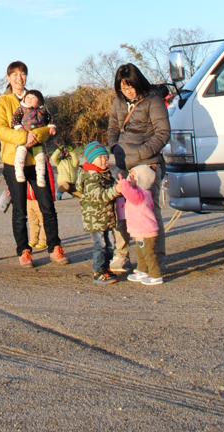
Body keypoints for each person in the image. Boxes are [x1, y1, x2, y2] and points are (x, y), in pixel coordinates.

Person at [0, 60, 68, 268]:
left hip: (37, 160)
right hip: (12, 162)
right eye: (14, 74)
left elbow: (49, 125)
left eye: (22, 73)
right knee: (20, 209)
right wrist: (23, 138)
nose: (19, 78)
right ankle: (24, 250)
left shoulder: (36, 98)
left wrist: (36, 135)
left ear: (26, 76)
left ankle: (54, 247)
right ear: (8, 78)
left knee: (47, 205)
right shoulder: (3, 102)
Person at [107, 63, 171, 273]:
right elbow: (113, 127)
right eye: (123, 88)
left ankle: (155, 260)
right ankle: (122, 254)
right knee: (120, 211)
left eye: (130, 86)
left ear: (138, 82)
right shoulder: (119, 101)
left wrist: (142, 153)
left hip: (146, 164)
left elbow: (162, 133)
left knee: (149, 212)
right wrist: (114, 147)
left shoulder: (153, 100)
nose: (128, 91)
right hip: (123, 163)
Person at [75, 140, 120, 284]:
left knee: (110, 244)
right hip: (95, 219)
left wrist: (122, 185)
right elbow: (100, 195)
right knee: (100, 244)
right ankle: (98, 271)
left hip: (106, 217)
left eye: (106, 157)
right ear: (91, 159)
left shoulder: (105, 174)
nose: (104, 160)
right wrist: (115, 191)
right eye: (100, 158)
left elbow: (113, 187)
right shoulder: (90, 178)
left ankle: (106, 267)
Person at [115, 165, 163, 285]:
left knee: (148, 253)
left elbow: (131, 195)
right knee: (141, 252)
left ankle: (155, 275)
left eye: (133, 176)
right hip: (141, 231)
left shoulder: (140, 194)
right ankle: (142, 270)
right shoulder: (143, 193)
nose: (129, 178)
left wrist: (124, 184)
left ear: (142, 180)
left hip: (146, 230)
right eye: (129, 175)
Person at [11, 89, 56, 187]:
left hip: (37, 139)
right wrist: (20, 130)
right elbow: (14, 120)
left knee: (40, 156)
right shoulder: (21, 109)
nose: (30, 99)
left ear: (39, 101)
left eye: (33, 98)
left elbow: (50, 119)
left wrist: (52, 127)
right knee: (21, 151)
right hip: (24, 136)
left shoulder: (43, 111)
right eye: (28, 97)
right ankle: (18, 171)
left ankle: (40, 176)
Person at [27, 153, 56, 250]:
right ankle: (33, 239)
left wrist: (51, 196)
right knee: (32, 221)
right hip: (28, 199)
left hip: (39, 198)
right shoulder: (25, 162)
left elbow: (50, 181)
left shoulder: (44, 163)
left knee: (43, 220)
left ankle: (43, 240)